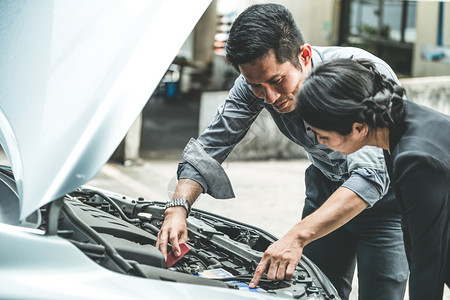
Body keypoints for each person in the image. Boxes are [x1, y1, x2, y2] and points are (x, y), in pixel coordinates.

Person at [156, 4, 409, 299]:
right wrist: (178, 207)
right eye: (257, 86)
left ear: (303, 55)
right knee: (314, 290)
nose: (271, 97)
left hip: (387, 205)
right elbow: (209, 148)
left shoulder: (362, 73)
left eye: (277, 81)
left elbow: (371, 175)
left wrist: (295, 236)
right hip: (325, 187)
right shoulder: (254, 85)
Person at [295, 58, 450, 300]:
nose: (319, 142)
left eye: (323, 135)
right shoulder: (402, 122)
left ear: (358, 128)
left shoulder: (414, 158)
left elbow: (429, 257)